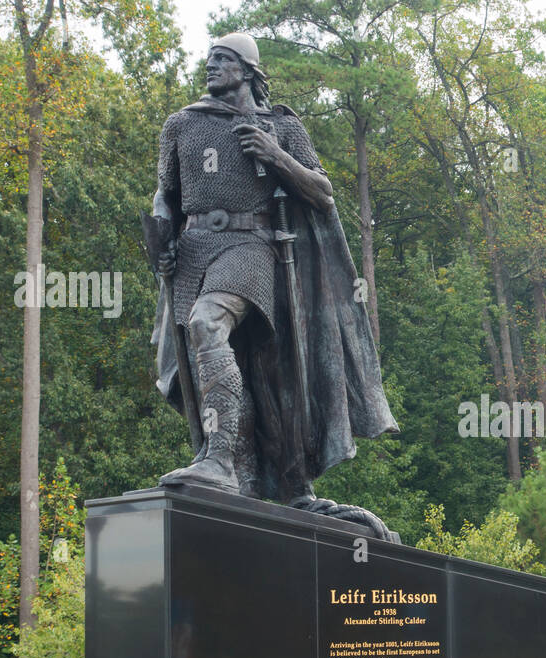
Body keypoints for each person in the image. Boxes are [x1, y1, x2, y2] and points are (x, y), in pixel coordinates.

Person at [149, 32, 397, 513]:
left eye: (222, 60)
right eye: (209, 60)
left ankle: (217, 459)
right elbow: (166, 194)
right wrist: (160, 236)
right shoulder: (181, 124)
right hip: (195, 249)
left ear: (247, 70)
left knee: (207, 323)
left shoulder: (280, 125)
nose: (211, 67)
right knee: (236, 364)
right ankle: (239, 471)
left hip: (252, 245)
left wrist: (274, 155)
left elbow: (322, 192)